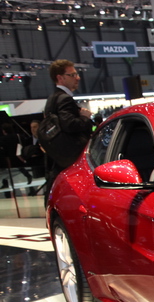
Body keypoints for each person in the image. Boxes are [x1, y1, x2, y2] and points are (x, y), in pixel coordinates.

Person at [43, 59, 94, 206]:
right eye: (72, 75)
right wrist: (85, 118)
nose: (77, 78)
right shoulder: (64, 99)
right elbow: (70, 125)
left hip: (60, 154)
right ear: (60, 77)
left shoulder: (52, 99)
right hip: (73, 155)